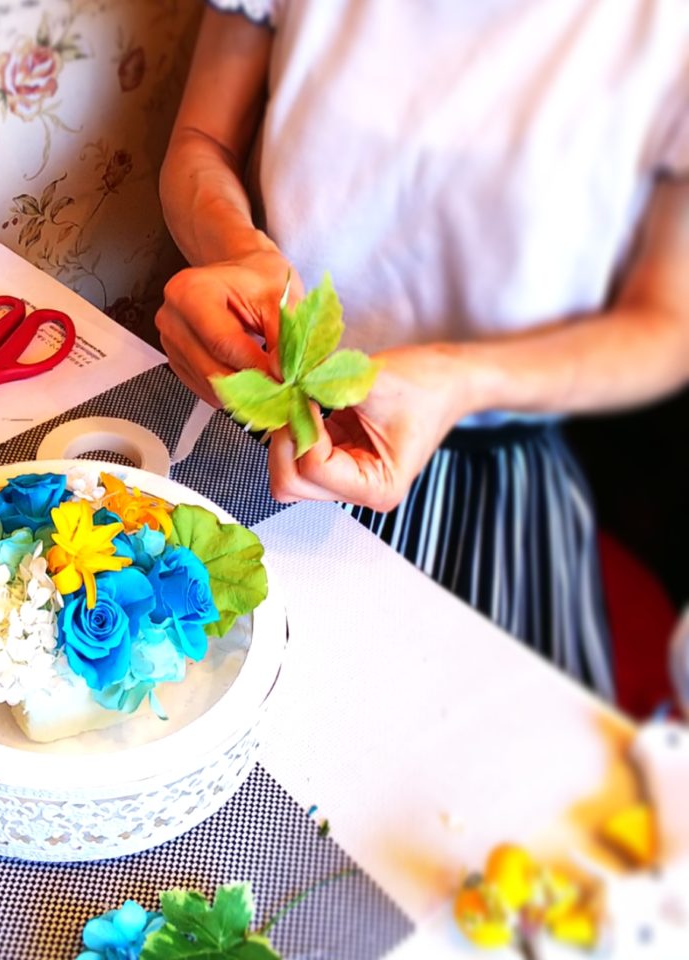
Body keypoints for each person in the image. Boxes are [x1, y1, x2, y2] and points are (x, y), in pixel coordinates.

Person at [155, 1, 689, 699]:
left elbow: (668, 324)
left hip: (487, 480)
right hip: (258, 406)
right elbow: (201, 143)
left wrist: (461, 379)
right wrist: (237, 252)